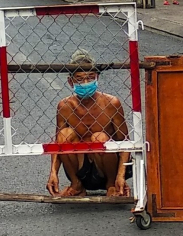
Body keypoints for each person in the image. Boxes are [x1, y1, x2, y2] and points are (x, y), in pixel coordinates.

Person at [46, 50, 131, 198]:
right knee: (64, 135)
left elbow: (124, 141)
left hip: (106, 166)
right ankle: (76, 184)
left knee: (99, 137)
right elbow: (57, 145)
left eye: (90, 78)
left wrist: (120, 176)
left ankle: (111, 185)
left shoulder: (111, 103)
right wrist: (53, 173)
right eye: (79, 79)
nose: (85, 83)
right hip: (80, 165)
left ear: (97, 78)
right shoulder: (65, 106)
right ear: (70, 81)